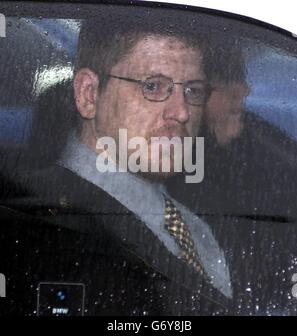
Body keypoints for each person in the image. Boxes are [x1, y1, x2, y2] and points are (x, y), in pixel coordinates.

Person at [0, 11, 233, 315]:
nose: (182, 111)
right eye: (153, 86)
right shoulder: (38, 231)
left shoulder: (190, 221)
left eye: (193, 90)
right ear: (89, 94)